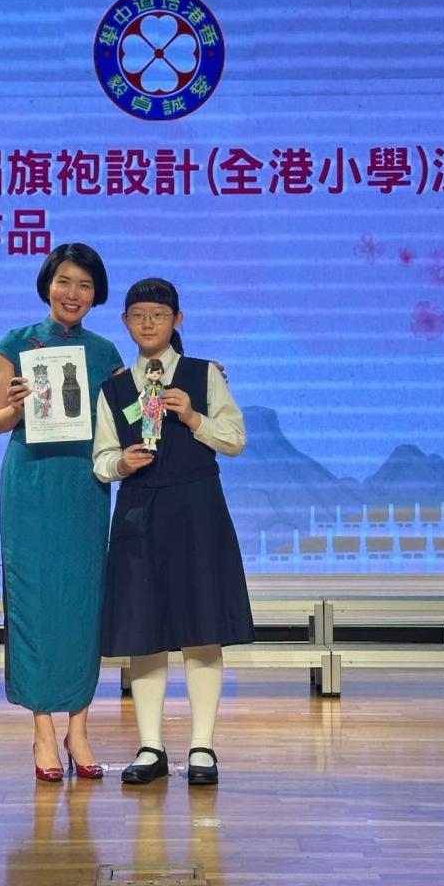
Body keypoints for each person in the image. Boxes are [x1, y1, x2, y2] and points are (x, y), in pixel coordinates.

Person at [92, 277, 254, 786]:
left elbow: (235, 439)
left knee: (203, 629)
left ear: (176, 320)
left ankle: (202, 746)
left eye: (158, 315)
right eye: (138, 315)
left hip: (198, 509)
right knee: (144, 632)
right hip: (139, 510)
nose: (148, 323)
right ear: (125, 322)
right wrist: (121, 463)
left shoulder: (205, 375)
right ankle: (150, 747)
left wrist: (194, 417)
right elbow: (100, 458)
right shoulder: (115, 388)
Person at [0, 243, 124, 781]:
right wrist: (15, 406)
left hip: (83, 486)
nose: (73, 293)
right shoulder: (16, 343)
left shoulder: (105, 352)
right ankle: (43, 729)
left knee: (83, 602)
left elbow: (133, 412)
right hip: (31, 485)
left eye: (85, 285)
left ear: (96, 294)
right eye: (65, 281)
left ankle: (79, 729)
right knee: (35, 603)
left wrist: (194, 380)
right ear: (48, 284)